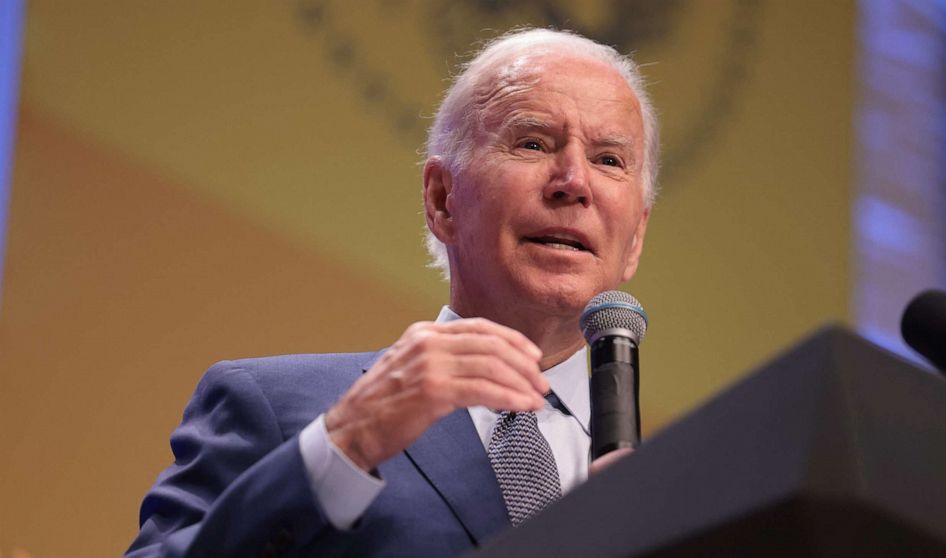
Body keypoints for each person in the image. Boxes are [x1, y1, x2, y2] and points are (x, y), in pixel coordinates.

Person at [126, 27, 658, 558]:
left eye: (609, 159)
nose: (574, 181)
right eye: (533, 142)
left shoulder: (673, 476)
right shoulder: (281, 410)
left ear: (635, 237)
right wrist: (346, 445)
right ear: (442, 199)